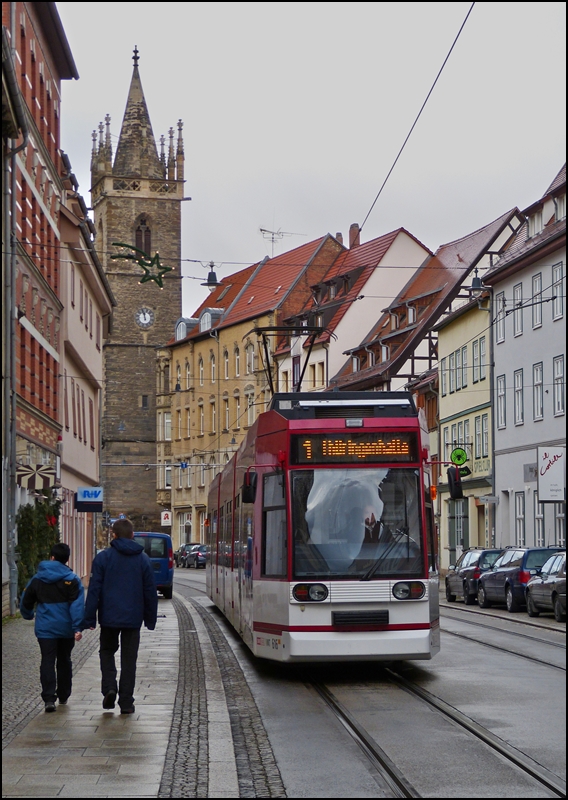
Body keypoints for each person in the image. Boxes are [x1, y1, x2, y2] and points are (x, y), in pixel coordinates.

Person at [84, 518, 158, 715]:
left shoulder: (103, 558)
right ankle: (126, 702)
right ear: (132, 535)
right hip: (133, 619)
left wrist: (89, 617)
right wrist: (150, 618)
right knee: (129, 659)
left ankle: (109, 687)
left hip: (109, 617)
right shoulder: (143, 559)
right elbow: (150, 591)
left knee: (107, 652)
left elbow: (94, 590)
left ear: (113, 535)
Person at [20, 542, 84, 713]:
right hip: (65, 629)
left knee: (47, 660)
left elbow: (26, 601)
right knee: (64, 659)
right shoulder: (73, 580)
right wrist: (77, 627)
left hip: (45, 629)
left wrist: (28, 615)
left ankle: (49, 698)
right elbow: (77, 606)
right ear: (67, 559)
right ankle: (63, 694)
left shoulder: (38, 579)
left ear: (52, 557)